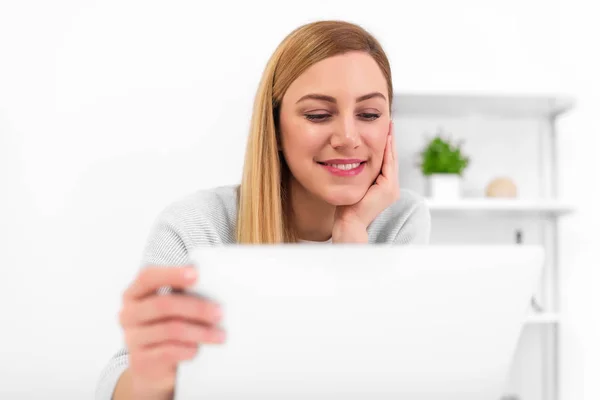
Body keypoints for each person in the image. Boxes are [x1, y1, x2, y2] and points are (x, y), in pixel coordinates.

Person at [95, 19, 431, 400]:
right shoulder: (196, 226)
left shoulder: (400, 220)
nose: (348, 138)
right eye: (318, 115)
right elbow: (121, 379)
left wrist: (352, 240)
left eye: (369, 115)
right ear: (275, 128)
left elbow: (381, 376)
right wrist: (152, 379)